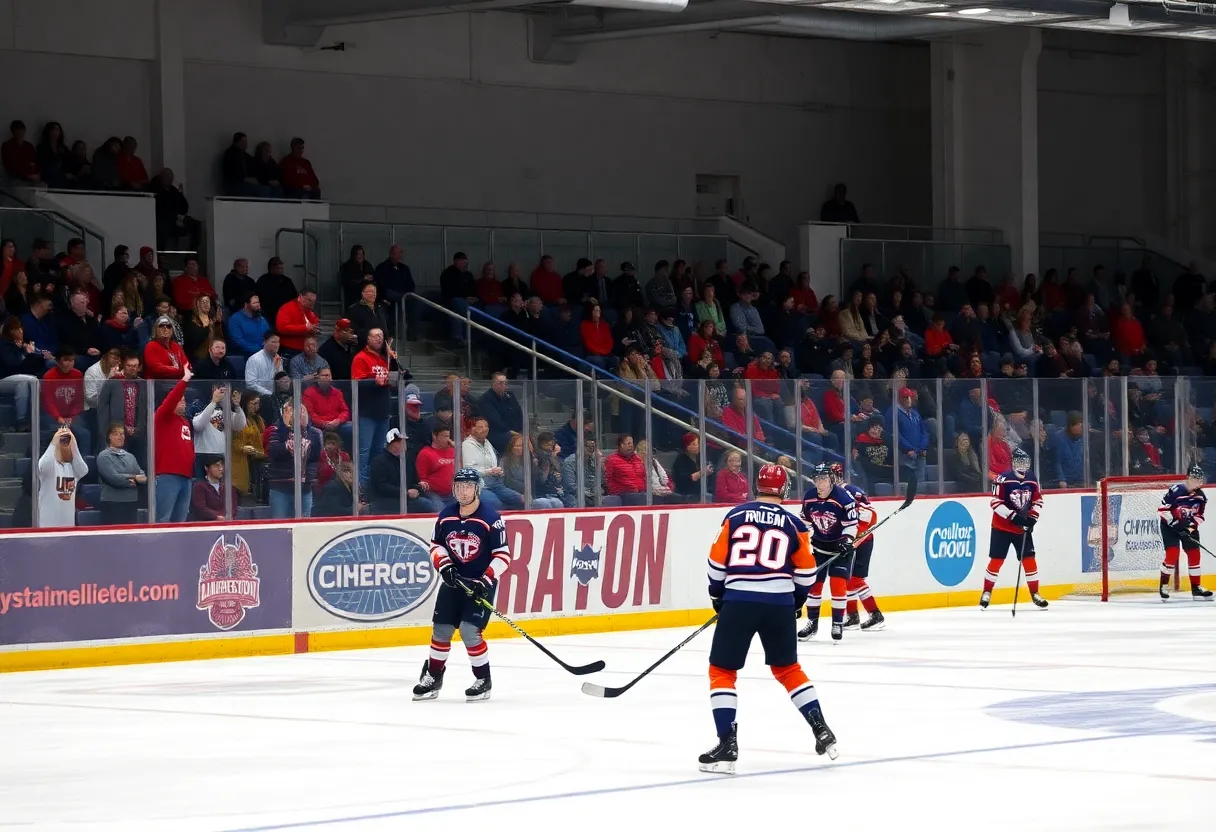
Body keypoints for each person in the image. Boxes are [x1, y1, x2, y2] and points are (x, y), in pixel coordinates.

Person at [699, 463, 837, 774]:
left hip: (739, 602)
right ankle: (821, 729)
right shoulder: (794, 523)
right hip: (778, 603)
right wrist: (796, 602)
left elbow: (715, 563)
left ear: (755, 487)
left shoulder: (735, 516)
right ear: (784, 489)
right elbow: (805, 573)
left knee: (722, 671)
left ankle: (727, 743)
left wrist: (717, 597)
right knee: (788, 669)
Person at [413, 468, 511, 703]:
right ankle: (433, 676)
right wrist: (445, 566)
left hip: (479, 584)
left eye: (468, 486)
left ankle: (483, 679)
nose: (463, 491)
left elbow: (503, 556)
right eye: (459, 486)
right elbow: (436, 545)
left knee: (469, 631)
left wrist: (485, 580)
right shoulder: (446, 515)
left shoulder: (491, 518)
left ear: (478, 488)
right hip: (453, 582)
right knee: (441, 630)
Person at [797, 463, 858, 643]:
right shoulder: (809, 498)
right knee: (814, 585)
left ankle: (837, 622)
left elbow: (851, 525)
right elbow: (805, 524)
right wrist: (803, 542)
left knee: (838, 584)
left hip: (840, 548)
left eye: (824, 479)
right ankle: (812, 623)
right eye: (817, 479)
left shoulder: (844, 498)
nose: (820, 483)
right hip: (819, 547)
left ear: (831, 479)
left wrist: (847, 541)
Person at [982, 447, 1047, 609]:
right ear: (1013, 463)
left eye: (1025, 462)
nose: (1022, 465)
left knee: (1029, 559)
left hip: (1021, 529)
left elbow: (1038, 500)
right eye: (1019, 462)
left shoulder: (1032, 478)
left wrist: (1032, 518)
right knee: (997, 560)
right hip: (1001, 527)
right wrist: (1014, 517)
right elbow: (995, 503)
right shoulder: (1002, 479)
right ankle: (987, 592)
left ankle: (1035, 594)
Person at [830, 463, 884, 631]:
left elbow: (870, 515)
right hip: (847, 541)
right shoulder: (830, 495)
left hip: (862, 540)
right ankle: (852, 616)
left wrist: (855, 535)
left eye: (828, 477)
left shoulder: (850, 491)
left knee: (855, 579)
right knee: (846, 577)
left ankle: (876, 614)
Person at [1156, 465, 1212, 601]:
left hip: (1187, 528)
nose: (1197, 482)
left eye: (1199, 479)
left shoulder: (1201, 497)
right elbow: (1163, 510)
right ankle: (1163, 586)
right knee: (1172, 554)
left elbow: (1199, 517)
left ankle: (1196, 588)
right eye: (1194, 478)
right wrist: (1176, 525)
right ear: (1188, 478)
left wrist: (1188, 529)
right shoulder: (1176, 491)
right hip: (1170, 528)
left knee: (1194, 554)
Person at [36, 426, 89, 528]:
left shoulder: (73, 469)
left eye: (67, 441)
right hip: (47, 525)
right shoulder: (50, 467)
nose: (66, 444)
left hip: (67, 525)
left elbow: (84, 470)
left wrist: (73, 443)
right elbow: (42, 465)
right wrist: (54, 441)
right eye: (63, 441)